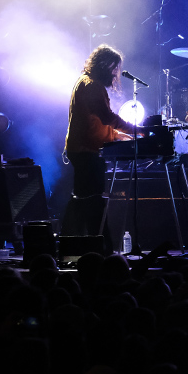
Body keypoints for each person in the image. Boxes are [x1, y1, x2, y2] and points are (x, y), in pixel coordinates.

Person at [63, 45, 141, 235]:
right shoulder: (92, 86)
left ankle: (86, 243)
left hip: (82, 149)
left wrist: (116, 135)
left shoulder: (85, 82)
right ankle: (94, 245)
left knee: (84, 198)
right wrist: (137, 130)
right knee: (91, 199)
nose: (115, 74)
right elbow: (107, 117)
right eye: (114, 68)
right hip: (85, 151)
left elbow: (94, 122)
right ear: (103, 65)